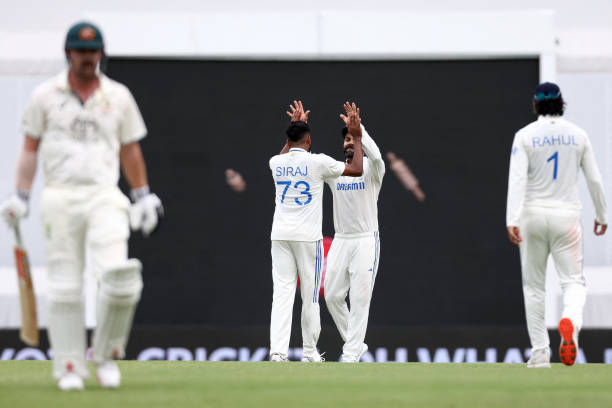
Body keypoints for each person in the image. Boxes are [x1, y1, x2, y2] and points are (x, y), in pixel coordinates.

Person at [0, 21, 163, 390]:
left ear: (101, 54)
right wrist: (20, 195)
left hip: (105, 195)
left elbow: (130, 149)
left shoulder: (118, 96)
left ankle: (106, 357)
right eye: (80, 52)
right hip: (60, 197)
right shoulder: (44, 95)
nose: (87, 58)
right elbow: (30, 148)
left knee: (119, 279)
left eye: (92, 52)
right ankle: (70, 365)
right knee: (64, 287)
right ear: (68, 54)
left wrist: (143, 195)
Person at [506, 82, 607, 368]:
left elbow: (517, 179)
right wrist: (602, 215)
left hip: (532, 216)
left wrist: (511, 219)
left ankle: (540, 354)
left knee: (534, 287)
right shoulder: (578, 135)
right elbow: (595, 179)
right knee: (573, 282)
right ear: (561, 103)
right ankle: (570, 324)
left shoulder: (525, 136)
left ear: (536, 105)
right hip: (567, 218)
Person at [269, 100, 363, 362]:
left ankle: (277, 352)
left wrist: (294, 128)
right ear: (309, 140)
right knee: (309, 295)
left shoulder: (275, 163)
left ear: (288, 139)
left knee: (282, 294)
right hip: (308, 238)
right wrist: (355, 135)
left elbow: (285, 153)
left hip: (280, 235)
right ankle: (309, 352)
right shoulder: (318, 162)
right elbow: (355, 169)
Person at [324, 102, 385, 362]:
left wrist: (360, 133)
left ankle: (350, 354)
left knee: (360, 298)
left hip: (365, 240)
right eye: (347, 140)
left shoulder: (373, 170)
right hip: (341, 239)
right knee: (333, 294)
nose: (349, 143)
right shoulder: (337, 171)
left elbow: (378, 156)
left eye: (353, 139)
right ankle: (356, 344)